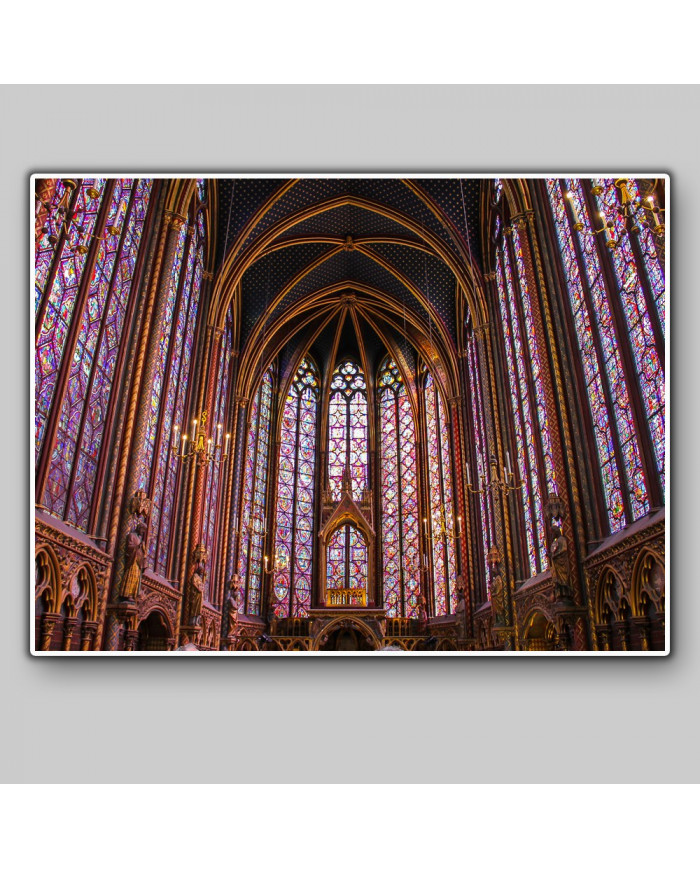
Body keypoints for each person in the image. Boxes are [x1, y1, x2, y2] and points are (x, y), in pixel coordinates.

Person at [120, 521, 146, 599]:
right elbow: (129, 546)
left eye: (144, 531)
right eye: (142, 530)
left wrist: (142, 547)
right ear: (139, 528)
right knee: (131, 576)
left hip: (138, 561)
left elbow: (143, 552)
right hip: (132, 560)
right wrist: (138, 546)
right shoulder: (132, 535)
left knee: (136, 578)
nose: (143, 532)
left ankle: (132, 594)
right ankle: (128, 594)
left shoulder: (139, 538)